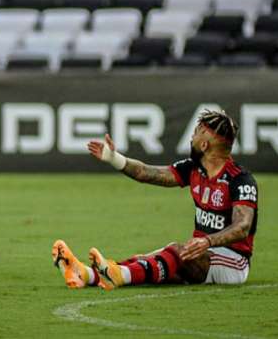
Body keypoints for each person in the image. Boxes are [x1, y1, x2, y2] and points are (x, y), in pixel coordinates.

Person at [52, 109, 258, 289]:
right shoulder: (194, 169)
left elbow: (243, 226)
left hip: (232, 262)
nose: (191, 138)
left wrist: (208, 240)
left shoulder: (240, 179)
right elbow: (146, 173)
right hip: (198, 253)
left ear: (204, 145)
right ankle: (85, 275)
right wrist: (114, 158)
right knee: (149, 262)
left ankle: (119, 276)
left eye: (195, 133)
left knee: (176, 252)